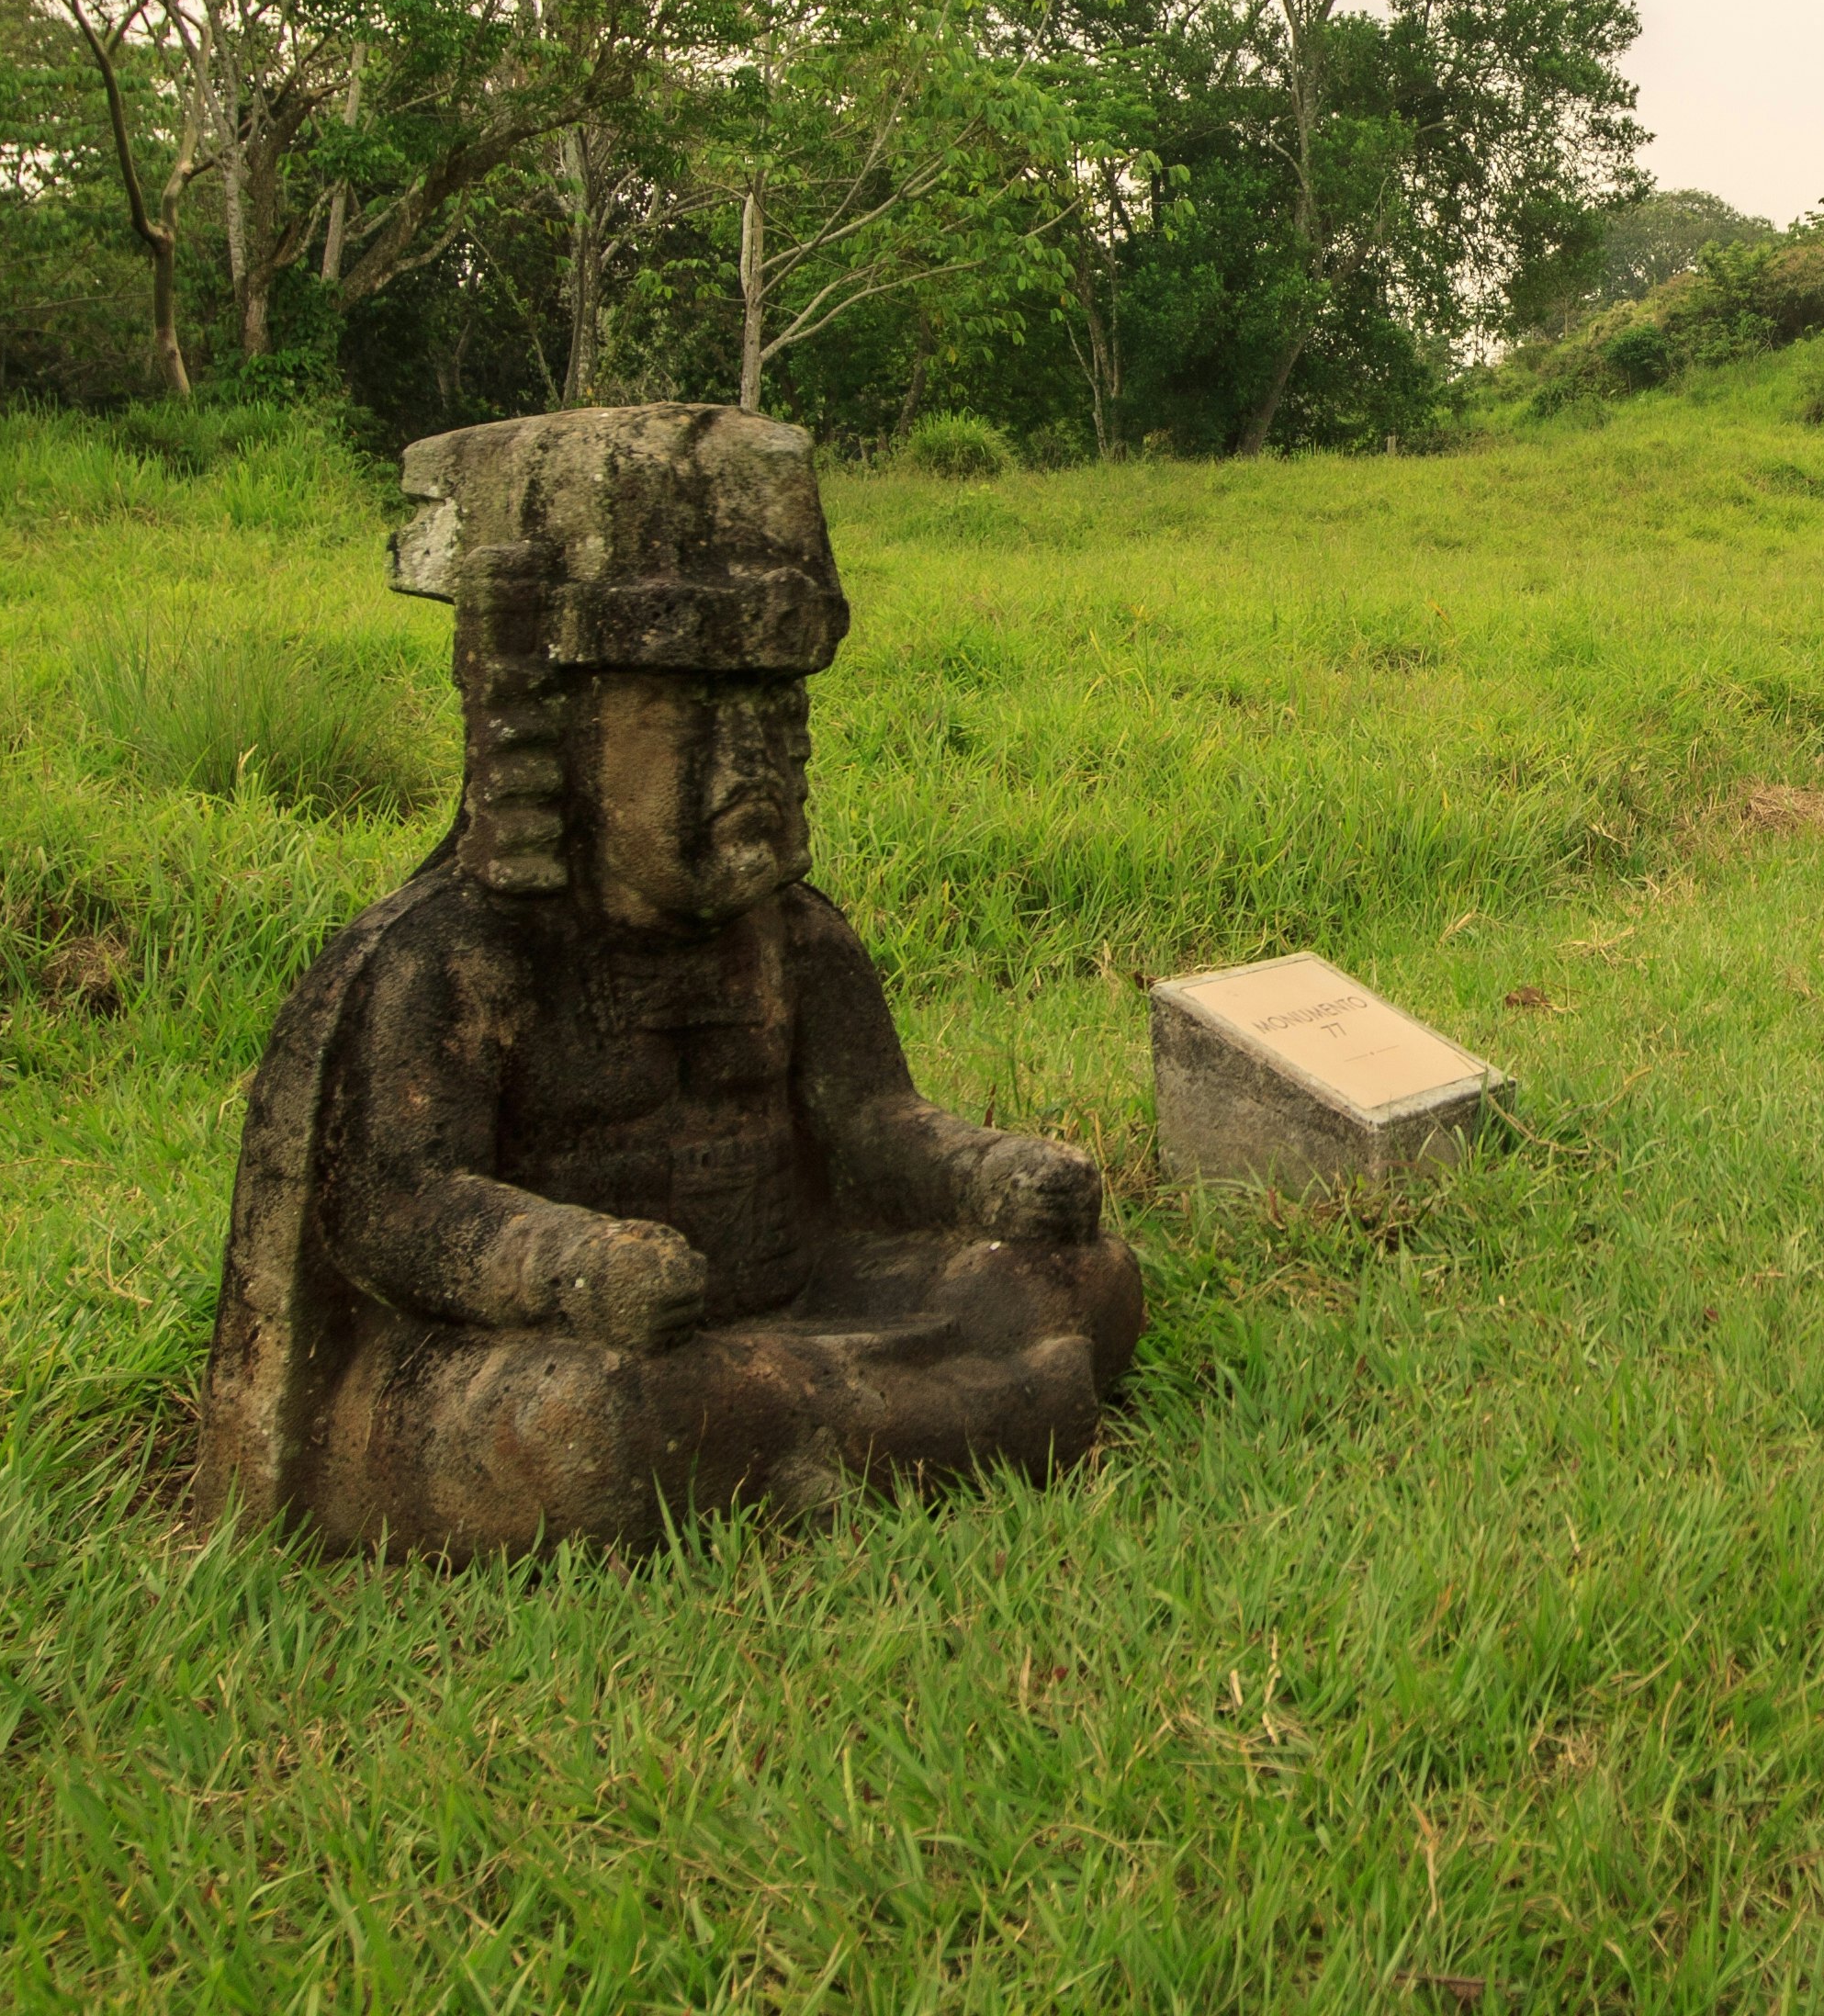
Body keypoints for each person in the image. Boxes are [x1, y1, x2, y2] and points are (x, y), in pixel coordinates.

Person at [191, 403, 1143, 1560]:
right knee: (585, 1424)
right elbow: (395, 1207)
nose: (765, 767)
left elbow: (873, 1122)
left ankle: (805, 1431)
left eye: (780, 725)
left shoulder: (796, 940)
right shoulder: (456, 956)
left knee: (1076, 1276)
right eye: (704, 725)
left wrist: (994, 1171)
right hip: (578, 1347)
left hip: (791, 1294)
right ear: (567, 733)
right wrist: (569, 1265)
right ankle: (940, 1421)